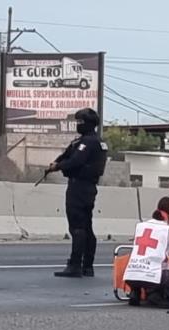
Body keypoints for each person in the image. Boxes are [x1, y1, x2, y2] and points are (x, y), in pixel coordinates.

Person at [50, 107, 108, 278]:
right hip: (89, 188)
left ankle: (75, 265)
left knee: (77, 227)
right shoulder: (96, 142)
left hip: (79, 187)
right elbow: (67, 154)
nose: (77, 124)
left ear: (87, 123)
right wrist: (59, 161)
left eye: (80, 122)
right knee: (87, 226)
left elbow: (76, 161)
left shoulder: (87, 142)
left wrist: (58, 166)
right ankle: (87, 266)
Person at [123, 197, 169, 306]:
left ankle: (135, 292)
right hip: (151, 278)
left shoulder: (140, 226)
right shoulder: (167, 230)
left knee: (158, 270)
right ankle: (153, 294)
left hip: (130, 276)